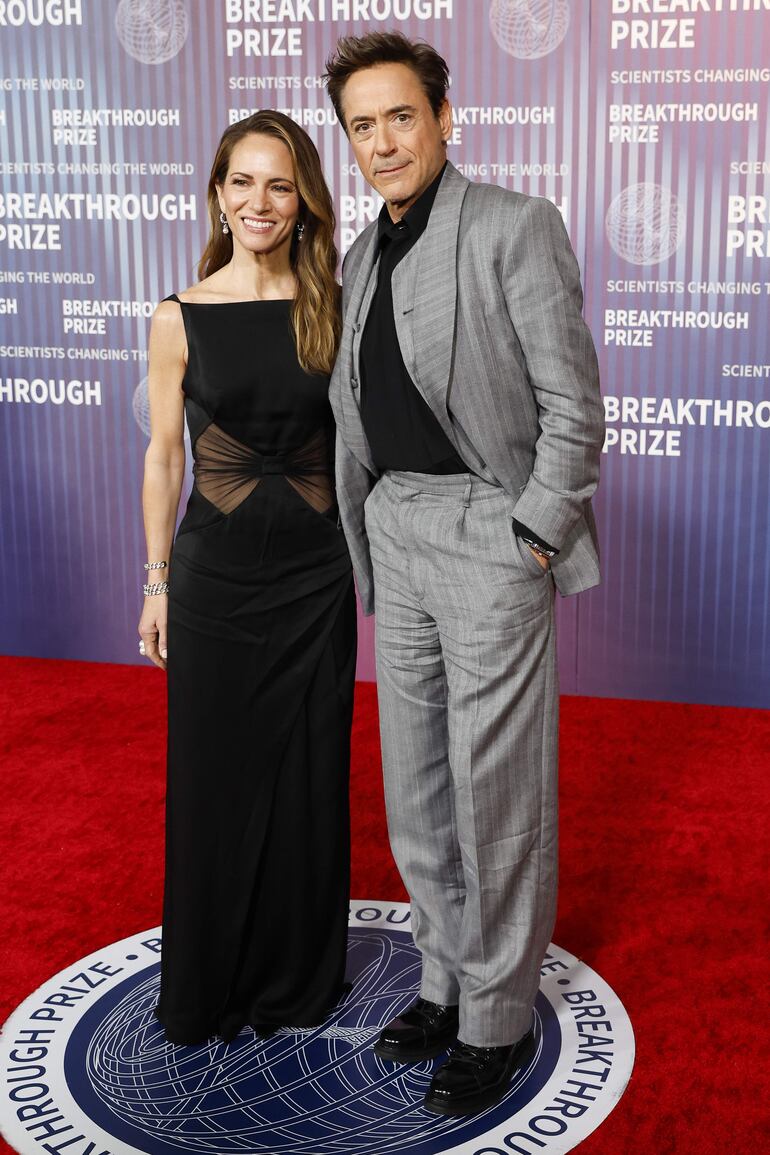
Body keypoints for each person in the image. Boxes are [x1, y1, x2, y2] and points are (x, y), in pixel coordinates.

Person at [324, 33, 604, 1116]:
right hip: (393, 524)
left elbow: (572, 404)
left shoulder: (511, 225)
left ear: (444, 117)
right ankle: (443, 980)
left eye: (401, 116)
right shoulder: (358, 257)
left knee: (493, 790)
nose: (384, 141)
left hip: (487, 529)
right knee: (417, 786)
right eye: (362, 125)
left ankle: (495, 1012)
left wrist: (530, 531)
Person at [138, 111, 356, 1046]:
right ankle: (207, 988)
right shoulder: (178, 315)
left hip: (318, 581)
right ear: (219, 195)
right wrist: (156, 582)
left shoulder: (335, 306)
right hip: (216, 582)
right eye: (241, 182)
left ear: (303, 198)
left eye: (278, 184)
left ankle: (295, 982)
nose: (258, 201)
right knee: (212, 781)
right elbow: (163, 460)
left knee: (312, 776)